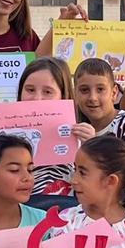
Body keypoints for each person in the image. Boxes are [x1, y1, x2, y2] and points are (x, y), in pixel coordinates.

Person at [16, 56, 87, 197]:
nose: (37, 98)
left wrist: (91, 147)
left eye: (47, 92)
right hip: (19, 212)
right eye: (30, 90)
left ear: (63, 95)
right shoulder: (4, 135)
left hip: (66, 211)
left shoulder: (79, 136)